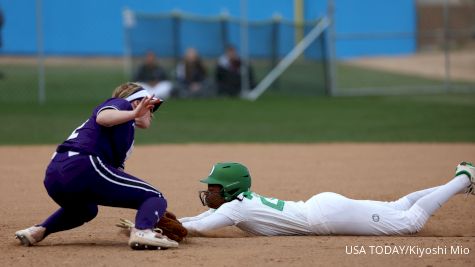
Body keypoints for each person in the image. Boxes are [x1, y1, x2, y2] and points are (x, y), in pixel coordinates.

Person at [15, 82, 179, 250]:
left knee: (86, 210)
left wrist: (148, 211)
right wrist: (134, 113)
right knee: (155, 196)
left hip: (55, 175)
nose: (152, 113)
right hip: (82, 165)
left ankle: (37, 231)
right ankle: (143, 231)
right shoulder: (121, 104)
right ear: (137, 102)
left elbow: (115, 175)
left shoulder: (126, 131)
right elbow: (103, 118)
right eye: (151, 107)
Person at [179, 161, 474, 236]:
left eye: (215, 187)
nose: (210, 192)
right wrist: (166, 220)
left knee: (410, 223)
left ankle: (464, 177)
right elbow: (198, 219)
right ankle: (461, 183)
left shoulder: (234, 211)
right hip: (321, 207)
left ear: (230, 188)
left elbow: (199, 227)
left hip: (325, 217)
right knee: (396, 207)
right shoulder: (238, 204)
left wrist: (170, 228)